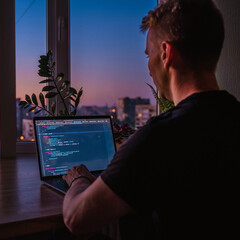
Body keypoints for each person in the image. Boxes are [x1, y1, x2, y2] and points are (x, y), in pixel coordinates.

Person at [62, 0, 240, 239]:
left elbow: (76, 218)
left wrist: (80, 180)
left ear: (166, 54)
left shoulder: (162, 136)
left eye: (149, 55)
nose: (148, 67)